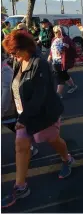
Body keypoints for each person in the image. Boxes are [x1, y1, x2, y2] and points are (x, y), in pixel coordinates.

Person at [1, 30, 74, 209]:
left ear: (24, 47)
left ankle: (67, 159)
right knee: (21, 146)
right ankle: (20, 187)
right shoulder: (18, 61)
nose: (12, 56)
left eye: (14, 52)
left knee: (52, 140)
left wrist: (23, 118)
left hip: (43, 114)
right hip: (24, 115)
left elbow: (40, 96)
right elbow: (15, 86)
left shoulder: (40, 64)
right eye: (10, 53)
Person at [48, 26, 77, 99]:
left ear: (61, 31)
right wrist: (49, 57)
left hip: (63, 62)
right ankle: (73, 86)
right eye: (54, 32)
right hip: (55, 61)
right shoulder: (54, 39)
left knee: (59, 77)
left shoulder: (66, 39)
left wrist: (66, 47)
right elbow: (52, 50)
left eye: (57, 32)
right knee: (64, 75)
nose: (55, 34)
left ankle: (58, 94)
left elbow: (71, 48)